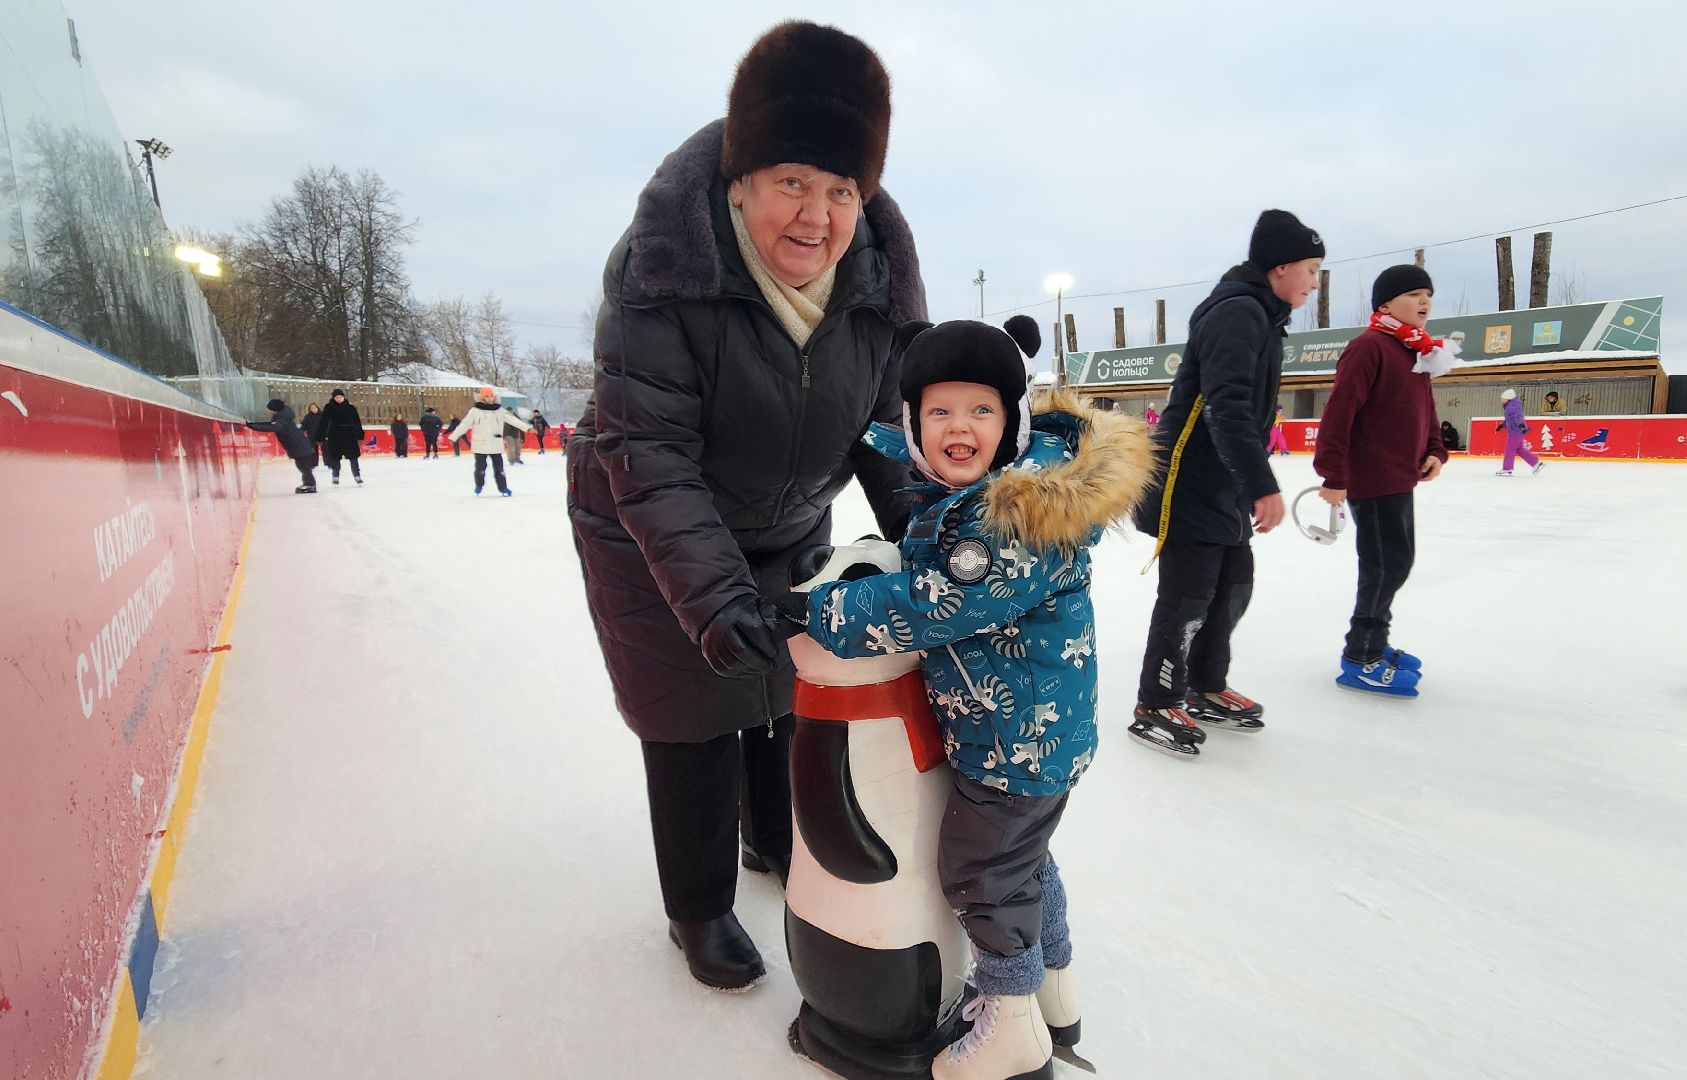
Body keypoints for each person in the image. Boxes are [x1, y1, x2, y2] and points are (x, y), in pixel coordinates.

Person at [565, 21, 924, 993]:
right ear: (739, 182)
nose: (816, 216)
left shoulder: (877, 283)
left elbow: (886, 437)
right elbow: (652, 450)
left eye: (840, 190)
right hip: (643, 517)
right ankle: (699, 907)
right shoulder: (664, 267)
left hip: (787, 512)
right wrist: (714, 599)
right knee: (692, 707)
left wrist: (945, 552)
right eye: (791, 183)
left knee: (782, 684)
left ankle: (772, 838)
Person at [772, 317, 1151, 1079]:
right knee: (1023, 864)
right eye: (938, 412)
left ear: (1011, 423)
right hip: (1030, 733)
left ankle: (1010, 1024)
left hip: (1014, 740)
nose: (958, 429)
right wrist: (865, 434)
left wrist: (819, 612)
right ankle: (1053, 989)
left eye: (980, 412)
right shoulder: (986, 489)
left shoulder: (1013, 519)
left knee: (981, 872)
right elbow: (919, 466)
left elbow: (934, 603)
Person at [1128, 210, 1323, 757]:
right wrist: (1262, 484)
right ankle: (1157, 699)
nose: (1314, 281)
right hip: (1191, 480)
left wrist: (1246, 484)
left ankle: (1204, 684)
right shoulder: (1237, 313)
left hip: (1223, 483)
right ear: (1279, 268)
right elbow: (1225, 406)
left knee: (1233, 586)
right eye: (1310, 269)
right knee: (1188, 595)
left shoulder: (1260, 314)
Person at [1313, 264, 1452, 698]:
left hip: (1400, 478)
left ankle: (1375, 643)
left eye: (1427, 294)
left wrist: (1435, 449)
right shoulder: (1369, 348)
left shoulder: (1415, 350)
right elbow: (1339, 414)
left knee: (1397, 562)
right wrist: (1333, 474)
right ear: (1386, 304)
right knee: (1381, 568)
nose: (1424, 302)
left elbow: (1426, 410)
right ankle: (1361, 658)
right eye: (1413, 294)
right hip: (1371, 479)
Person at [451, 387, 529, 495]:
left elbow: (514, 420)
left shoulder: (500, 411)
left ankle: (503, 488)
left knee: (499, 470)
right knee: (480, 469)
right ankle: (479, 485)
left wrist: (527, 428)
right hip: (480, 445)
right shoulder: (475, 411)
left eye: (491, 396)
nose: (490, 398)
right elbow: (464, 424)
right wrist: (453, 437)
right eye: (487, 396)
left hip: (495, 445)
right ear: (482, 398)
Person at [246, 398, 318, 494]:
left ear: (274, 409)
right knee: (302, 465)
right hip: (298, 445)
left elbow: (274, 427)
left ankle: (310, 485)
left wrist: (253, 426)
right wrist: (253, 425)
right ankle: (308, 484)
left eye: (270, 410)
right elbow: (271, 424)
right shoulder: (282, 416)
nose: (269, 412)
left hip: (299, 446)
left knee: (304, 466)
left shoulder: (282, 419)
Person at [318, 388, 365, 485]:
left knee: (353, 456)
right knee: (335, 457)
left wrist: (360, 436)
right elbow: (323, 423)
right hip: (335, 434)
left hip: (349, 434)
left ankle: (357, 475)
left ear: (343, 397)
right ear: (333, 398)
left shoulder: (350, 408)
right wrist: (320, 437)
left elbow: (357, 422)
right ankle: (335, 475)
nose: (339, 399)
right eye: (337, 397)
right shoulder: (329, 408)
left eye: (340, 397)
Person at [1495, 388, 1545, 477]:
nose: (1501, 400)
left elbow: (1518, 418)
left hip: (1515, 431)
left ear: (1508, 398)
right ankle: (1536, 463)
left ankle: (1507, 469)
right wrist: (1502, 425)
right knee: (1519, 449)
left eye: (1503, 398)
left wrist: (1522, 426)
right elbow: (1509, 419)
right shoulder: (1510, 406)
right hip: (1516, 431)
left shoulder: (1511, 408)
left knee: (1510, 450)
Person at [300, 402, 324, 467]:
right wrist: (299, 432)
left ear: (317, 408)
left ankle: (328, 464)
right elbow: (304, 426)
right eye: (311, 408)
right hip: (311, 436)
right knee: (313, 450)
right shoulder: (307, 417)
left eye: (314, 408)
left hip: (321, 435)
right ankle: (313, 464)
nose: (313, 409)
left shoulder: (323, 415)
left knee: (325, 450)